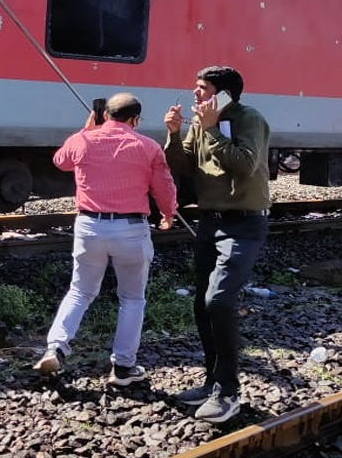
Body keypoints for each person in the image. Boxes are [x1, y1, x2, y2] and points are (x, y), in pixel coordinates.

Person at [34, 93, 177, 386]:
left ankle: (56, 348)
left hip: (89, 227)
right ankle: (123, 368)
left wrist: (86, 130)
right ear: (135, 119)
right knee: (132, 299)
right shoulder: (147, 146)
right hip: (131, 229)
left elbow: (60, 161)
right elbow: (163, 185)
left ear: (105, 115)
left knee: (80, 292)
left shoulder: (84, 140)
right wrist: (168, 214)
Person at [163, 65, 271, 423]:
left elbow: (245, 164)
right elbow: (183, 165)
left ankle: (228, 392)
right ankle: (211, 382)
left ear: (224, 94)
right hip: (210, 222)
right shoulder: (200, 122)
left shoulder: (249, 118)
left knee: (219, 299)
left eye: (202, 88)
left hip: (244, 223)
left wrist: (211, 129)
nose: (195, 94)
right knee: (201, 302)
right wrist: (175, 135)